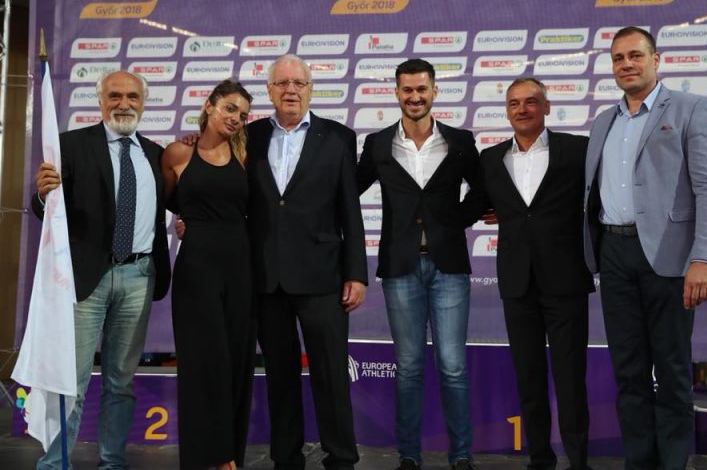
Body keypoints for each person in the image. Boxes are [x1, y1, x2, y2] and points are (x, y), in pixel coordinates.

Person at [583, 26, 707, 469]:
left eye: (635, 55)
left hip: (670, 258)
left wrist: (703, 257)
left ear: (656, 59)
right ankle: (639, 462)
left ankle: (673, 463)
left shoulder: (690, 108)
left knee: (672, 371)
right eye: (618, 58)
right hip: (613, 255)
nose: (626, 64)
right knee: (628, 373)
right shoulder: (604, 121)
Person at [31, 70, 171, 469]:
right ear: (100, 101)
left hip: (139, 277)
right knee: (70, 382)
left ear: (143, 103)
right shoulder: (72, 146)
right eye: (114, 96)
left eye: (132, 96)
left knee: (120, 382)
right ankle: (54, 464)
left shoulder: (156, 154)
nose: (123, 104)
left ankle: (113, 462)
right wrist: (41, 195)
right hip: (84, 280)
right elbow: (44, 208)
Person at [357, 58, 481, 470]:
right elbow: (347, 188)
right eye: (407, 90)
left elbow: (483, 190)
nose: (415, 96)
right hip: (400, 269)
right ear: (396, 93)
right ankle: (409, 456)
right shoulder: (377, 144)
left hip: (450, 268)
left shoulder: (460, 141)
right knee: (408, 367)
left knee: (453, 367)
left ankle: (461, 456)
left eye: (422, 89)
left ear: (434, 91)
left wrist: (454, 221)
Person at [250, 54, 367, 470]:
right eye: (282, 83)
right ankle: (286, 456)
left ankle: (342, 456)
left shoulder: (338, 137)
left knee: (331, 373)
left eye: (298, 83)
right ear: (269, 91)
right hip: (267, 278)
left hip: (324, 276)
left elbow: (349, 209)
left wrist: (356, 273)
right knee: (279, 374)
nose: (291, 90)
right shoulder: (248, 136)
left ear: (310, 89)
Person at [472, 77, 593, 470]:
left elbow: (599, 202)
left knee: (571, 379)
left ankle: (579, 462)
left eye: (530, 102)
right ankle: (540, 459)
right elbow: (474, 205)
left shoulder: (577, 150)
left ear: (546, 107)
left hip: (566, 282)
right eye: (514, 103)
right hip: (517, 284)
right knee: (529, 379)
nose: (522, 109)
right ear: (507, 111)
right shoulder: (491, 159)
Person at [161, 80, 255, 470]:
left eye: (243, 114)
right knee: (203, 364)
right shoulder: (177, 153)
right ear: (209, 105)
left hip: (241, 269)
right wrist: (187, 224)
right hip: (197, 270)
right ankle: (207, 457)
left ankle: (229, 454)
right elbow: (169, 202)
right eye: (230, 108)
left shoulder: (246, 154)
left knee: (237, 362)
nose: (236, 118)